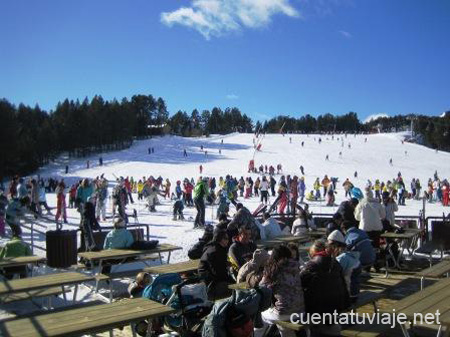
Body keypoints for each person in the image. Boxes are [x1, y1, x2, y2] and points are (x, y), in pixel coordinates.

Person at [300, 240, 350, 337]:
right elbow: (343, 283)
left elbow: (300, 282)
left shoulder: (312, 264)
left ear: (313, 252)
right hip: (338, 303)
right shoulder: (335, 262)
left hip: (319, 306)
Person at [258, 245, 305, 337]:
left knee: (260, 317)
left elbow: (261, 286)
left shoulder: (274, 269)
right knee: (283, 326)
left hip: (284, 312)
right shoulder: (297, 266)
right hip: (301, 310)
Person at [198, 229, 234, 300]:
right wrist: (232, 282)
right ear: (219, 239)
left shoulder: (216, 247)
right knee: (235, 289)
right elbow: (218, 272)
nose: (228, 240)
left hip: (211, 279)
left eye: (228, 238)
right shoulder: (215, 251)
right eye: (225, 238)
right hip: (210, 285)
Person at [327, 230, 361, 303]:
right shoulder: (350, 254)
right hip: (355, 292)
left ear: (335, 245)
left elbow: (334, 274)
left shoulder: (343, 258)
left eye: (330, 245)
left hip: (348, 296)